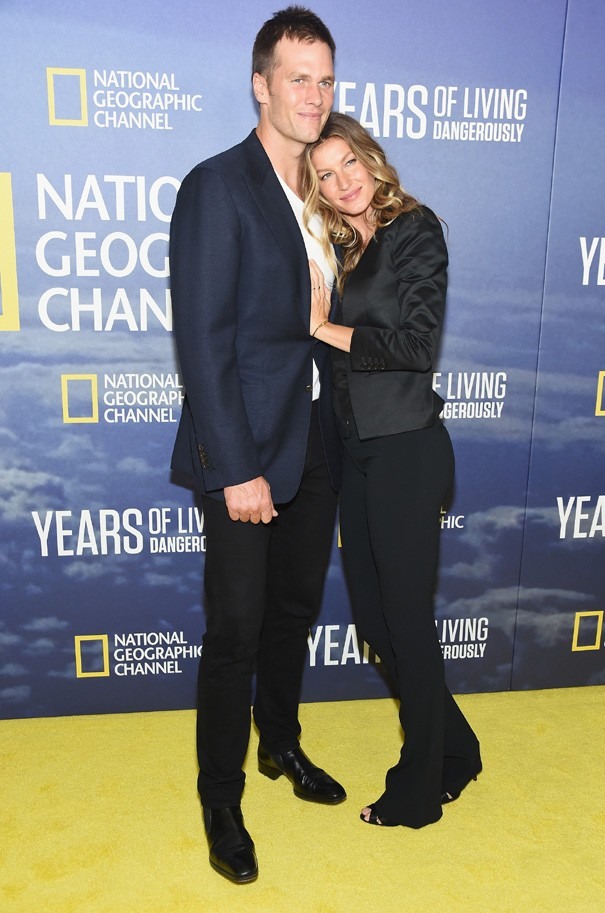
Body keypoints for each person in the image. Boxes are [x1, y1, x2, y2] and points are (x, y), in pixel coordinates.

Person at [169, 8, 345, 884]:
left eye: (324, 79)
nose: (312, 95)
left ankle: (281, 747)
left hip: (314, 440)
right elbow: (202, 342)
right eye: (296, 77)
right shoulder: (218, 185)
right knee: (235, 632)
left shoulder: (318, 190)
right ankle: (220, 798)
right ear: (260, 83)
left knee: (292, 613)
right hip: (243, 450)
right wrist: (235, 466)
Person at [301, 112, 482, 830]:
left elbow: (412, 344)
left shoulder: (415, 230)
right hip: (360, 456)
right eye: (325, 174)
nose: (342, 181)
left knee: (406, 619)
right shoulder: (342, 249)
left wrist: (322, 327)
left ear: (371, 160)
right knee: (377, 619)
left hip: (408, 450)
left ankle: (419, 788)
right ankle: (459, 746)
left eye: (349, 163)